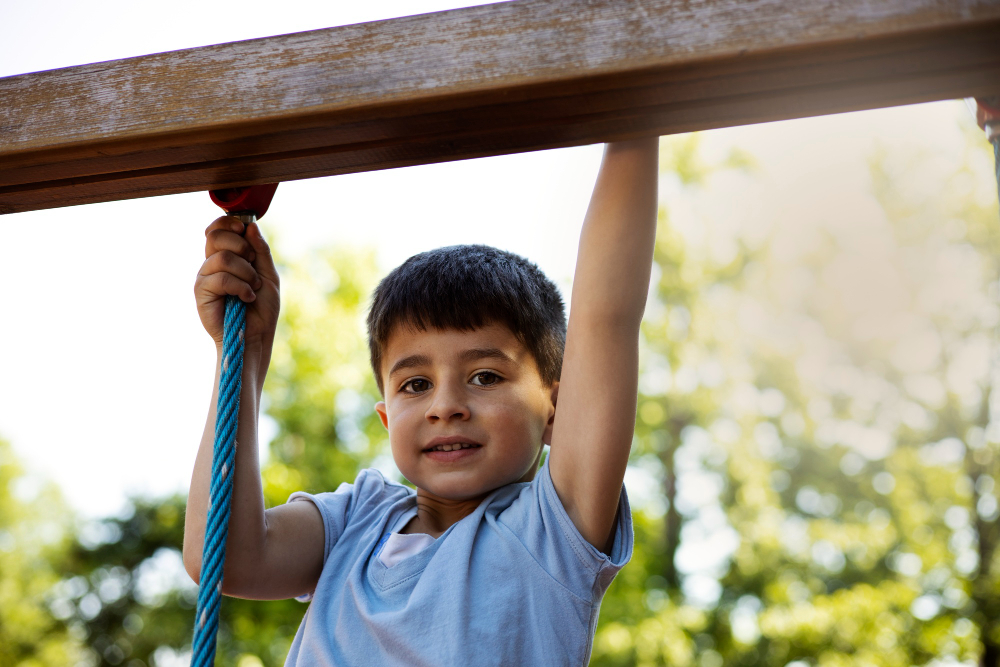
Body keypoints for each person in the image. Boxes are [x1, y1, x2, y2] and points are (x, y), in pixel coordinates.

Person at [183, 137, 659, 665]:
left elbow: (606, 316)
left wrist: (634, 124)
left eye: (483, 376)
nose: (445, 406)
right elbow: (222, 558)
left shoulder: (551, 531)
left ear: (557, 411)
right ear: (386, 417)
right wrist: (244, 352)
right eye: (415, 384)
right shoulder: (355, 521)